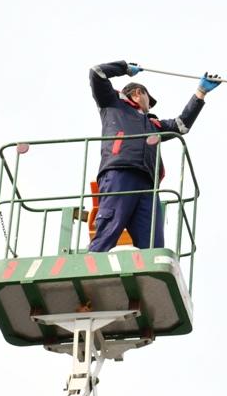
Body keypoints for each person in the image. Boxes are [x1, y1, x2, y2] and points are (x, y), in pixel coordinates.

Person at [88, 60, 220, 252]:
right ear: (138, 93)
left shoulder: (153, 125)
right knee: (109, 227)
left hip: (148, 183)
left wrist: (200, 93)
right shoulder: (113, 103)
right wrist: (124, 68)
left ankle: (150, 265)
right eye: (149, 100)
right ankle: (94, 258)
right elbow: (97, 72)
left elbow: (181, 125)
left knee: (152, 243)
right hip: (120, 172)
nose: (150, 107)